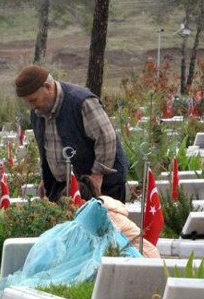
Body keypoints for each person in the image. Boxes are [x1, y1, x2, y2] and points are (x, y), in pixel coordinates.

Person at [14, 65, 128, 203]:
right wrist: (46, 178)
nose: (31, 107)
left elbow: (106, 138)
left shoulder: (81, 102)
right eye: (27, 102)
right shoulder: (38, 111)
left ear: (47, 87)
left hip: (100, 185)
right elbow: (46, 146)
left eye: (33, 100)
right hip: (63, 187)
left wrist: (97, 176)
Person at [78, 175, 160, 258]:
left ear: (83, 202)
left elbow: (108, 243)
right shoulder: (99, 210)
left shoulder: (106, 214)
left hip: (144, 257)